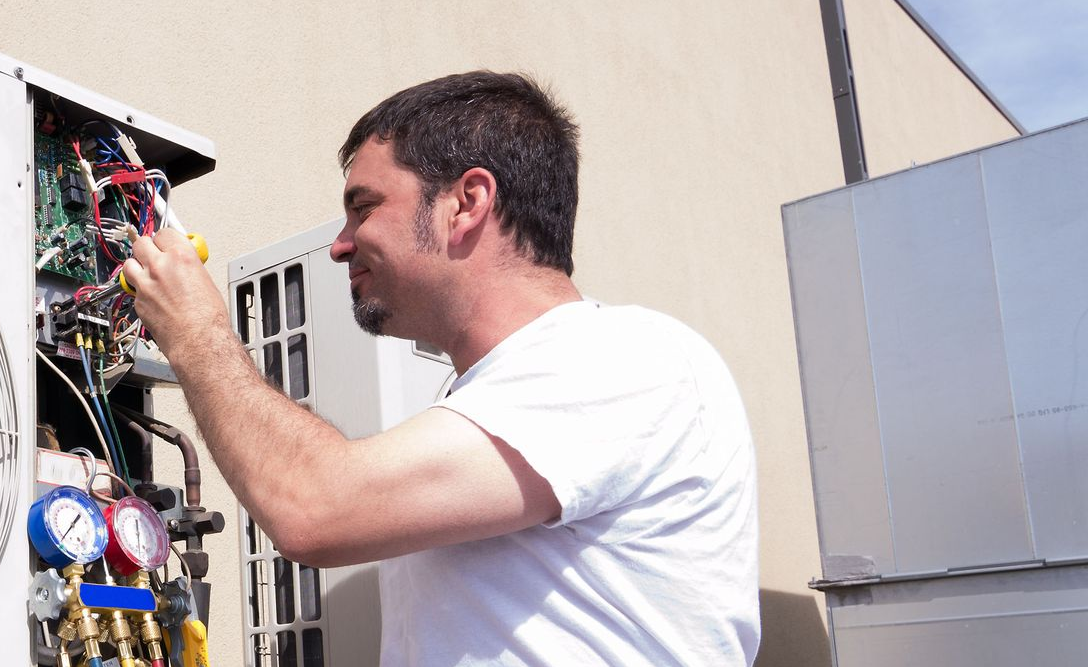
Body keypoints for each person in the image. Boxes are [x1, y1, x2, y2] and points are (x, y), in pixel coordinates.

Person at [120, 71, 760, 666]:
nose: (340, 244)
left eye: (364, 207)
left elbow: (314, 506)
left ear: (468, 202)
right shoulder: (485, 394)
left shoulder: (617, 359)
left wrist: (198, 333)